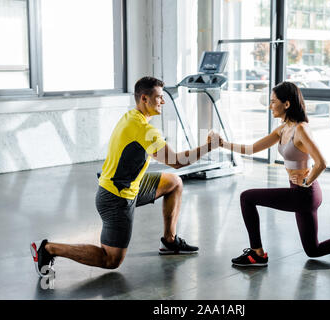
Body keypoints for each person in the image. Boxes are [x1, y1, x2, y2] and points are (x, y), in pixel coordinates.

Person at [30, 76, 220, 276]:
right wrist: (209, 146)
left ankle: (170, 241)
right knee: (111, 260)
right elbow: (177, 161)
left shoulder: (132, 116)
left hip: (129, 186)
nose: (163, 101)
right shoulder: (143, 129)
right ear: (144, 99)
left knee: (173, 182)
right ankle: (48, 249)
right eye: (159, 97)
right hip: (115, 198)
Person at [212, 81, 330, 267]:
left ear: (287, 104)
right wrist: (222, 144)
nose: (270, 106)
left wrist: (306, 181)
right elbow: (252, 148)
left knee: (247, 197)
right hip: (301, 193)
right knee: (313, 250)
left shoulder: (300, 129)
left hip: (304, 193)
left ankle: (257, 254)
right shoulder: (282, 129)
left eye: (273, 102)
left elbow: (322, 162)